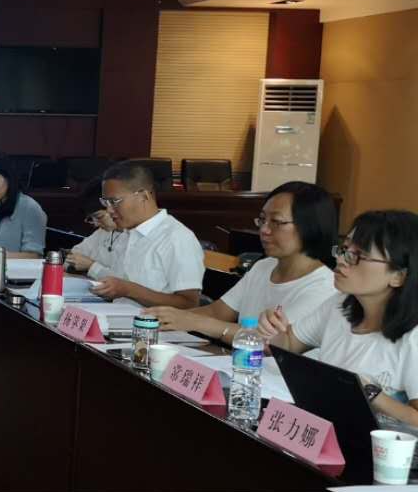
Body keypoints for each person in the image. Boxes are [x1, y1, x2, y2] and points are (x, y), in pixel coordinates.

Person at [261, 209, 418, 432]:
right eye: (344, 250)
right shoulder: (340, 305)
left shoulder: (413, 336)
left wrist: (370, 393)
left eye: (358, 255)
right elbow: (288, 344)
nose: (341, 260)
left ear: (398, 276)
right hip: (327, 430)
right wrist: (274, 329)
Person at [147, 182, 337, 344]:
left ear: (311, 226)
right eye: (262, 220)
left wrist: (196, 322)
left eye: (276, 222)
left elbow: (272, 341)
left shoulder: (324, 288)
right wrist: (169, 317)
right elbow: (218, 311)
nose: (264, 230)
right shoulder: (264, 266)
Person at [84, 160, 204, 308]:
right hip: (117, 314)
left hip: (152, 322)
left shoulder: (177, 238)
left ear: (143, 196)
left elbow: (189, 303)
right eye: (105, 202)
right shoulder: (126, 233)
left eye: (114, 201)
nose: (109, 210)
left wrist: (129, 290)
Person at [64, 183, 128, 277]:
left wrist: (91, 266)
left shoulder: (135, 236)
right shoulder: (101, 233)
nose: (96, 224)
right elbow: (72, 257)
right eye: (91, 219)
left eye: (99, 217)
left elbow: (124, 281)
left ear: (112, 209)